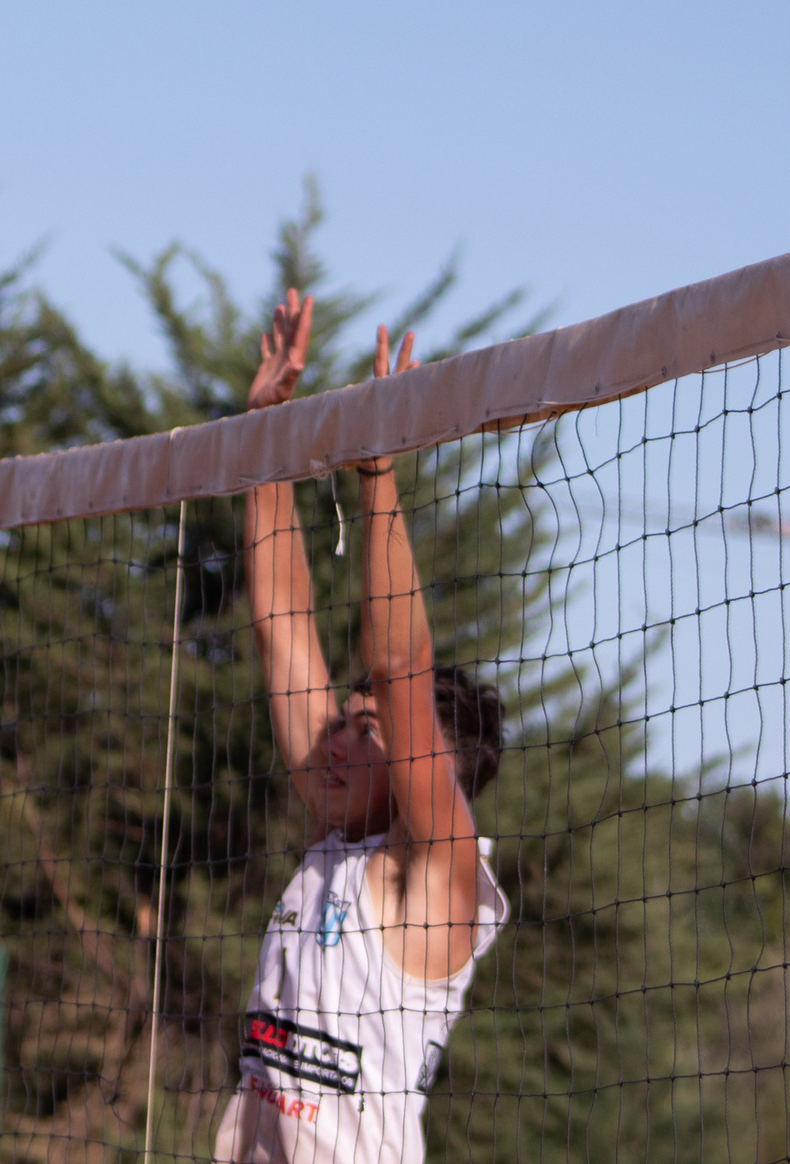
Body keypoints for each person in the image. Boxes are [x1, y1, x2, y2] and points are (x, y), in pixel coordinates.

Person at [216, 293, 510, 1164]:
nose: (339, 736)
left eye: (368, 730)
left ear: (431, 767)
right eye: (345, 721)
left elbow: (400, 674)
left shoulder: (439, 874)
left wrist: (376, 475)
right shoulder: (337, 833)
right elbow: (281, 621)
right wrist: (266, 434)